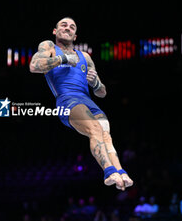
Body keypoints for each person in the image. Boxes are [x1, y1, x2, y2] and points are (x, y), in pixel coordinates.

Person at [29, 17, 133, 190]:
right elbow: (34, 66)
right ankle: (109, 172)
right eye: (63, 25)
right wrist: (63, 59)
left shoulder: (85, 57)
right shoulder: (48, 46)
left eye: (72, 27)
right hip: (67, 100)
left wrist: (96, 84)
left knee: (105, 135)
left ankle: (121, 173)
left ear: (75, 36)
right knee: (94, 129)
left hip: (88, 101)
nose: (68, 28)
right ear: (55, 31)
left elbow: (102, 92)